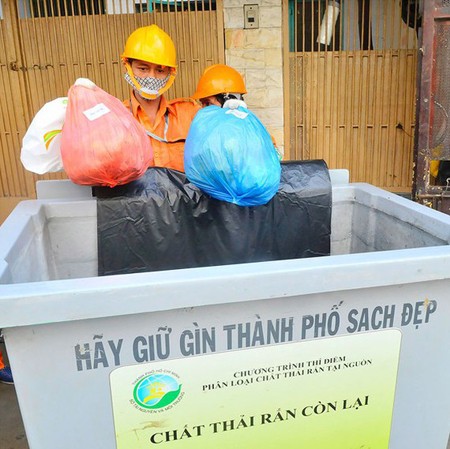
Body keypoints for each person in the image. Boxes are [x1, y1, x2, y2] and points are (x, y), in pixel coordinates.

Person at [121, 25, 200, 172]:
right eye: (143, 69)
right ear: (128, 67)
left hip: (183, 196)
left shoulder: (190, 114)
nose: (151, 77)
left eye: (160, 70)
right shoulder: (116, 119)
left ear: (170, 73)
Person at [192, 64, 282, 159]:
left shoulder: (255, 133)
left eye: (208, 103)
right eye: (202, 103)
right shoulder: (203, 133)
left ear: (230, 101)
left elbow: (275, 160)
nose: (203, 109)